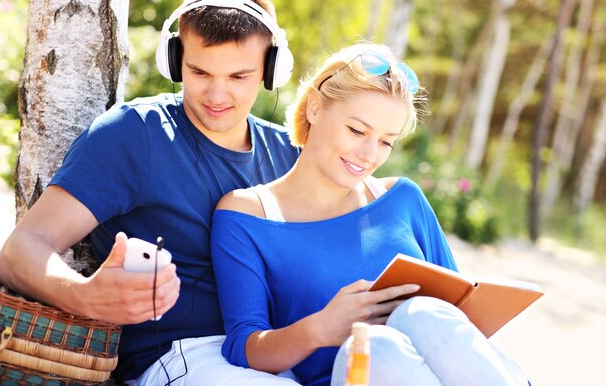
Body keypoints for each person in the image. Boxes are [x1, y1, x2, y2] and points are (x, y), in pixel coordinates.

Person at [0, 0, 302, 386]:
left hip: (280, 348)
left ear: (271, 69)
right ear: (174, 59)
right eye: (198, 71)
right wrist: (85, 296)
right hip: (181, 357)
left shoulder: (290, 152)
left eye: (239, 76)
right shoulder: (136, 134)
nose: (216, 94)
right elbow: (19, 252)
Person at [211, 43, 530, 386]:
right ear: (316, 109)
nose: (367, 154)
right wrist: (320, 328)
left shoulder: (402, 198)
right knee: (376, 344)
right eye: (357, 131)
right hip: (351, 374)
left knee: (420, 312)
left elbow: (458, 320)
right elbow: (243, 346)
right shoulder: (246, 214)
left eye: (385, 142)